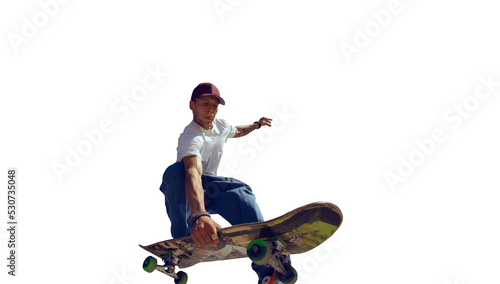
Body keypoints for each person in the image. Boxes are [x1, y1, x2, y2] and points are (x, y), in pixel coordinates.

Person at [159, 82, 286, 284]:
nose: (210, 109)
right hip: (186, 193)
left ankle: (268, 268)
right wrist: (199, 215)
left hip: (210, 189)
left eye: (215, 105)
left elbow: (237, 131)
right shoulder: (190, 136)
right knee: (175, 172)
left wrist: (257, 125)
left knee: (241, 192)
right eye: (204, 103)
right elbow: (192, 172)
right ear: (192, 105)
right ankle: (185, 239)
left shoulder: (221, 126)